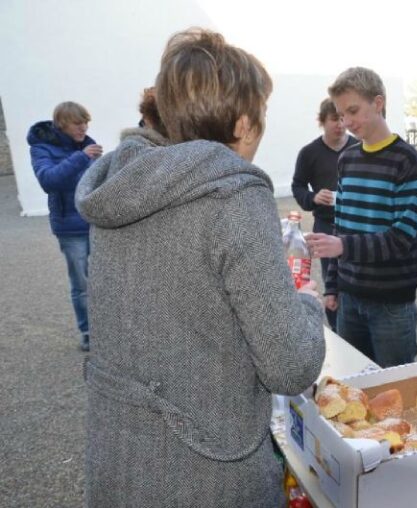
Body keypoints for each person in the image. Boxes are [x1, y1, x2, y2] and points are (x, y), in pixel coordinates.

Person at [75, 29, 325, 507]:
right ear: (246, 124)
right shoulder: (233, 192)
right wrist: (307, 306)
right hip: (205, 471)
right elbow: (291, 364)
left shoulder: (122, 186)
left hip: (119, 460)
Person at [306, 67, 417, 368]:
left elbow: (401, 239)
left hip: (391, 305)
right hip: (348, 300)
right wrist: (333, 285)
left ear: (378, 102)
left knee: (395, 392)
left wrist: (342, 247)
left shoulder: (407, 161)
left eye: (353, 111)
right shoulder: (347, 159)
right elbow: (341, 224)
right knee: (351, 388)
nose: (346, 122)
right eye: (340, 114)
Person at [27, 101, 102, 351]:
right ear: (62, 123)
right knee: (82, 285)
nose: (84, 127)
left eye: (86, 122)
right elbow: (48, 181)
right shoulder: (42, 147)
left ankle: (109, 330)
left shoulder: (87, 145)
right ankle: (89, 332)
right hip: (70, 230)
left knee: (104, 280)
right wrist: (81, 158)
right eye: (78, 123)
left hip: (95, 223)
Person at [292, 98, 357, 331]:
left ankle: (355, 326)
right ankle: (339, 331)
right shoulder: (309, 153)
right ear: (322, 121)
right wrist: (313, 198)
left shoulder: (358, 148)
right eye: (333, 119)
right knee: (332, 284)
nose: (340, 124)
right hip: (325, 224)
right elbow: (297, 186)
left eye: (342, 118)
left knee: (355, 277)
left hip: (355, 225)